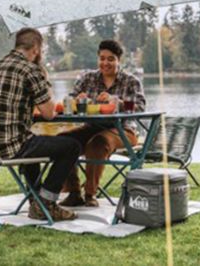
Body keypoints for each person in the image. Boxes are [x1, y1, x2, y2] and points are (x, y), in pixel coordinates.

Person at [0, 28, 81, 221]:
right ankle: (46, 203)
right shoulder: (30, 70)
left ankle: (34, 200)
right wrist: (45, 80)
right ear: (36, 49)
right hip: (9, 148)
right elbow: (49, 114)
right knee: (72, 146)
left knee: (33, 143)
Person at [59, 39, 146, 207]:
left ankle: (90, 194)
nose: (105, 63)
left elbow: (140, 107)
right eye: (102, 58)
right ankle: (73, 192)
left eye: (111, 59)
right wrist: (76, 100)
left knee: (98, 143)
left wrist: (117, 102)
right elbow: (69, 100)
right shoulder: (88, 78)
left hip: (124, 131)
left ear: (119, 60)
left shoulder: (131, 81)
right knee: (63, 141)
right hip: (91, 128)